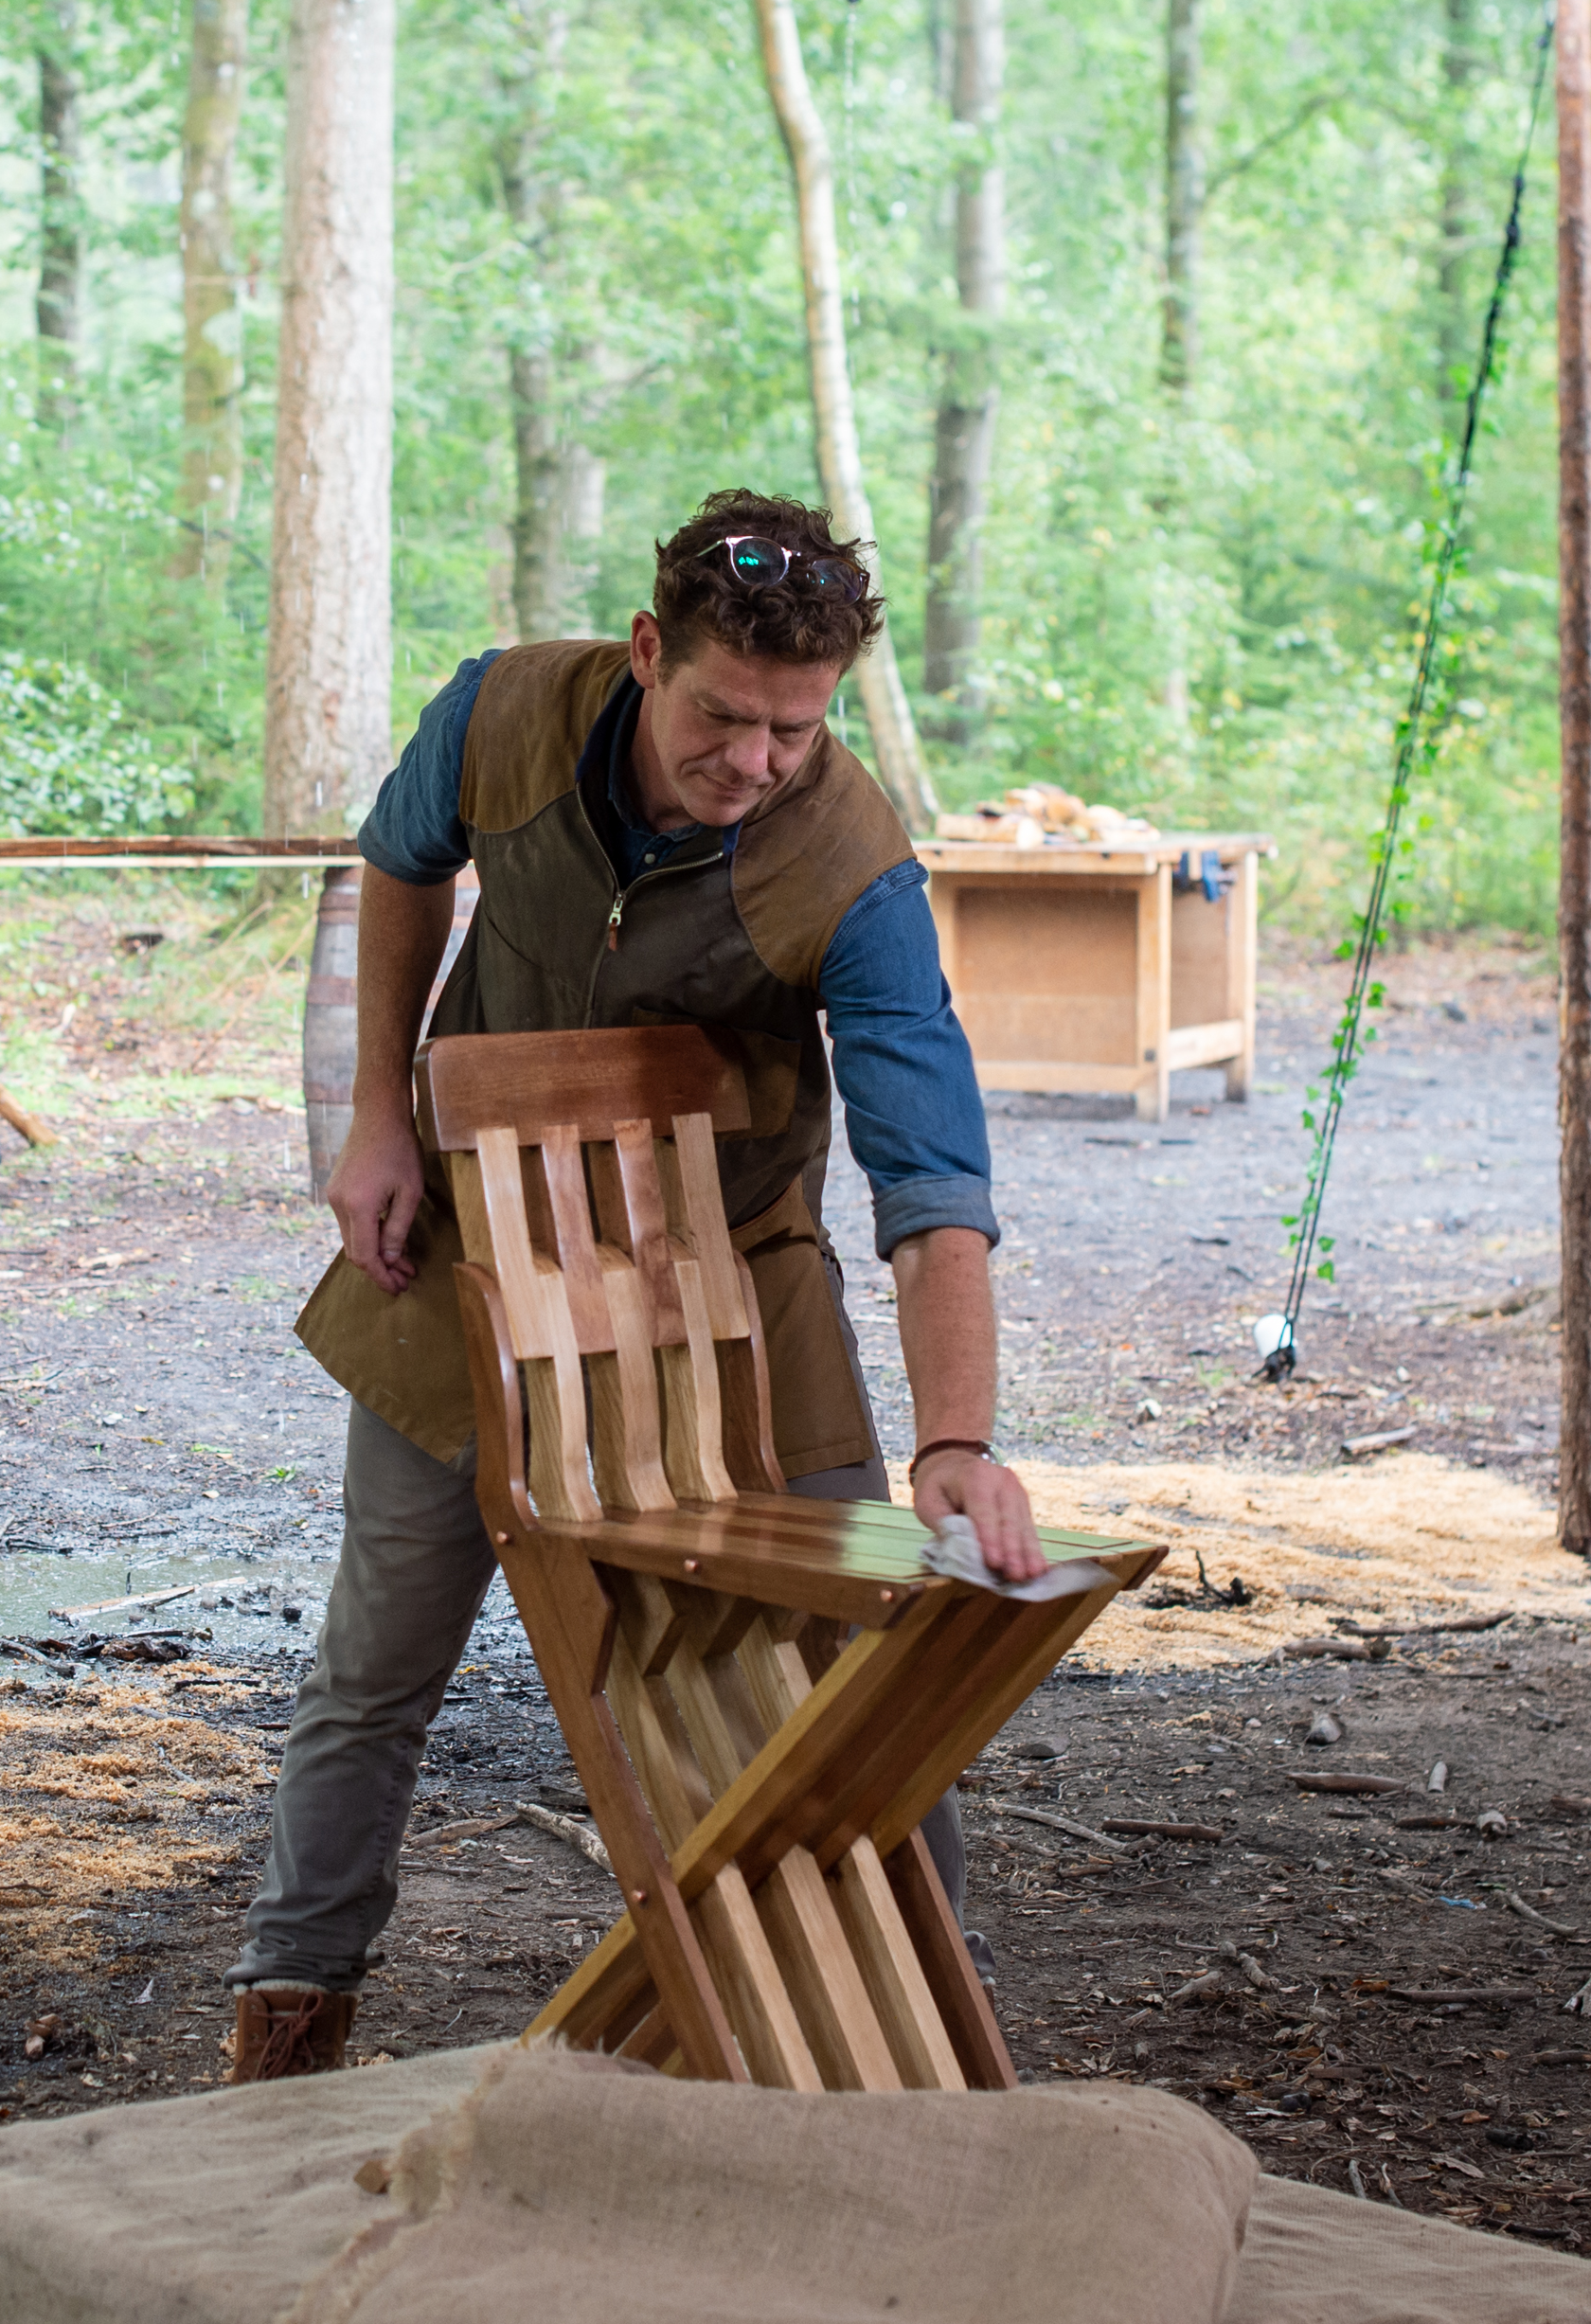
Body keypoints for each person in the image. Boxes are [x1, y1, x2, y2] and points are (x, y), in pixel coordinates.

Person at [223, 488, 1039, 2083]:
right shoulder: (507, 711)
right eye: (725, 718)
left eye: (794, 734)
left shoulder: (857, 865)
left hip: (734, 1280)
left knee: (876, 1658)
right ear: (650, 650)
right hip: (475, 1258)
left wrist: (958, 1441)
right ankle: (288, 2019)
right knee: (376, 1659)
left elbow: (935, 1184)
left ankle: (923, 2063)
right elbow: (400, 863)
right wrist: (377, 1111)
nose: (756, 764)